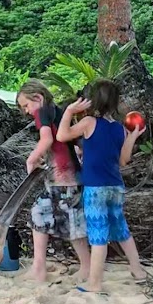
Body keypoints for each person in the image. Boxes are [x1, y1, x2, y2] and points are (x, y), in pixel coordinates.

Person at [56, 79, 147, 293]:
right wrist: (132, 136)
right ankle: (138, 271)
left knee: (98, 236)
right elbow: (124, 160)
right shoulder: (119, 128)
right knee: (121, 230)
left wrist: (69, 111)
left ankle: (95, 285)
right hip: (115, 187)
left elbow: (62, 135)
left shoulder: (89, 122)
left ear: (93, 100)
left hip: (95, 188)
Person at [16, 80, 90, 282]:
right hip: (57, 177)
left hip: (66, 179)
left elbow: (47, 139)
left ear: (38, 98)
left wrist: (31, 158)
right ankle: (38, 266)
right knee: (38, 214)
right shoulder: (58, 111)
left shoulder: (43, 112)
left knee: (74, 225)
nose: (26, 111)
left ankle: (87, 266)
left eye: (26, 105)